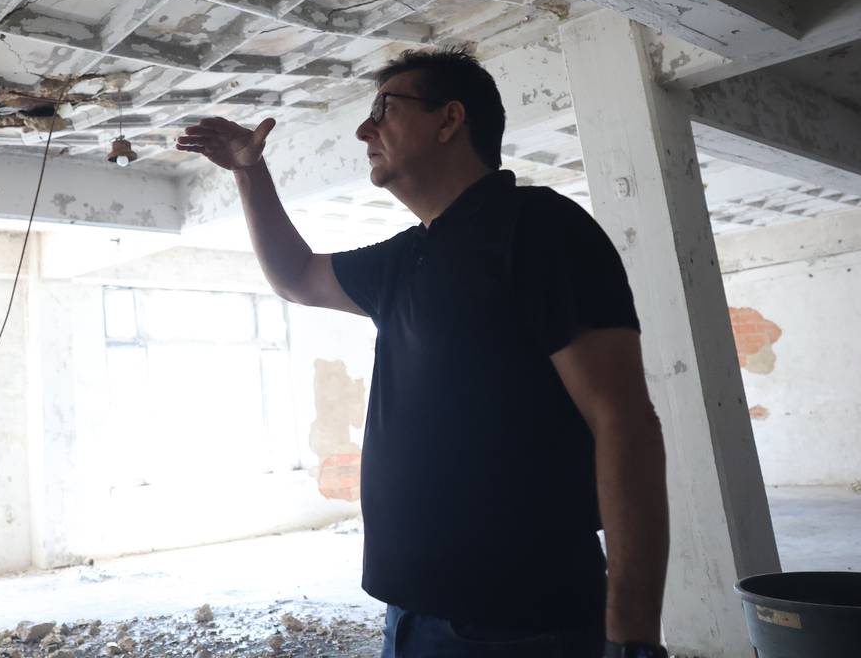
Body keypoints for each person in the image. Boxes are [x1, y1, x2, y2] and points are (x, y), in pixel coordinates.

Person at [175, 48, 669, 658]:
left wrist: (632, 636)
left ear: (449, 119)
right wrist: (250, 172)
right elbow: (296, 275)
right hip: (409, 616)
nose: (364, 128)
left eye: (384, 109)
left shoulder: (541, 229)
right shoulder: (406, 258)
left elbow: (624, 421)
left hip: (521, 624)